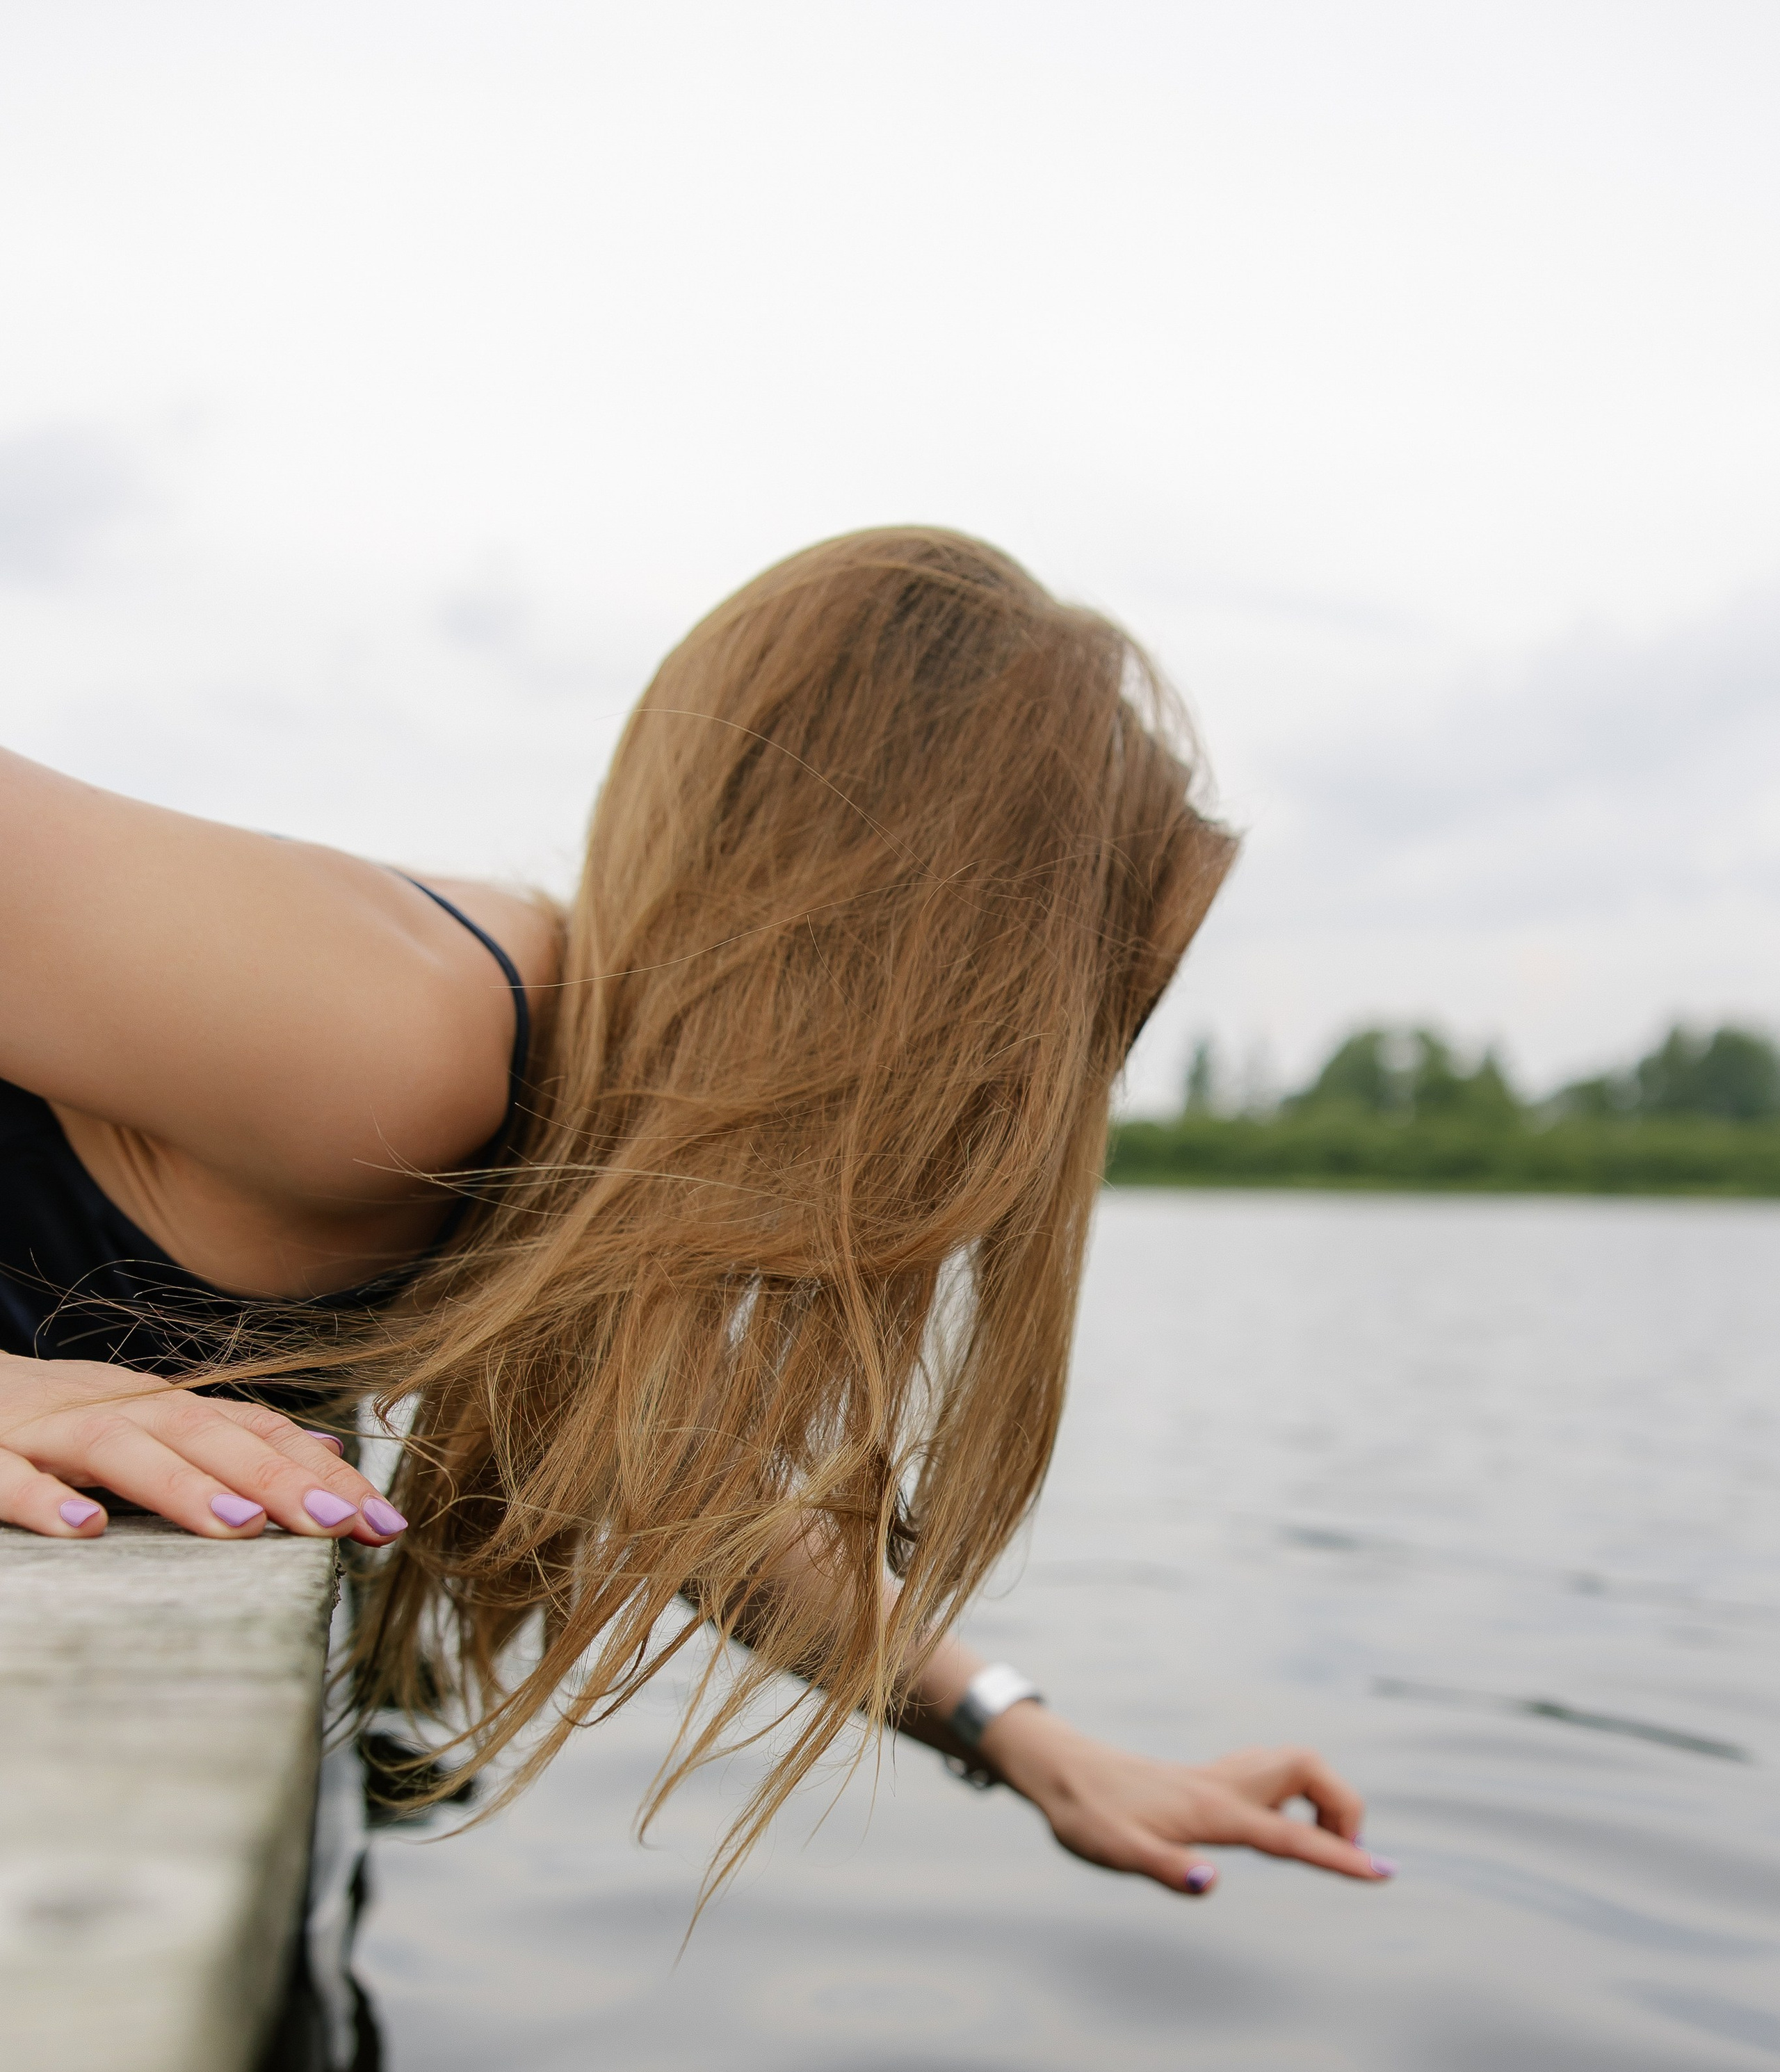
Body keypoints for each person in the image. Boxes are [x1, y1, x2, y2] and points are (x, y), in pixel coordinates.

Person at [0, 526, 1391, 1898]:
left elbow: (674, 1496)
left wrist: (1022, 1736)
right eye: (1057, 1017)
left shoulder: (536, 1125)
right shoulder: (401, 1037)